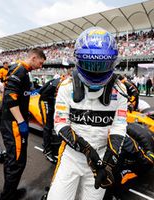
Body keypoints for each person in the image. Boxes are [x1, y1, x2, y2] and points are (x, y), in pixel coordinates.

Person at [47, 27, 128, 200]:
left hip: (101, 157)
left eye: (102, 65)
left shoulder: (120, 90)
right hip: (71, 156)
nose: (96, 71)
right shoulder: (66, 86)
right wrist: (87, 150)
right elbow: (60, 124)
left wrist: (107, 164)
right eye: (91, 64)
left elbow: (119, 126)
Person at [0, 48, 46, 200]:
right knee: (17, 161)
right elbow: (10, 99)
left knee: (15, 160)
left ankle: (9, 193)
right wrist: (21, 122)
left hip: (16, 121)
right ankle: (7, 197)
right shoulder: (19, 70)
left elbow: (22, 94)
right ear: (33, 58)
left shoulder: (24, 72)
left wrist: (35, 91)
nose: (41, 66)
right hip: (13, 123)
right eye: (40, 63)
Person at [38, 75, 66, 163]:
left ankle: (48, 143)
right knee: (47, 126)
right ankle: (47, 151)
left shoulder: (61, 81)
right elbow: (41, 92)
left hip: (50, 101)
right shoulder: (56, 83)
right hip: (45, 101)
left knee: (52, 125)